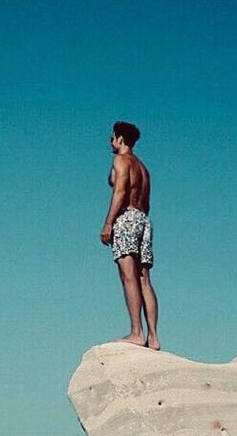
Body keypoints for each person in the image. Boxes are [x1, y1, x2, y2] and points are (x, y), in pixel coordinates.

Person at [99, 121, 160, 350]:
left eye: (112, 138)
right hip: (144, 220)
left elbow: (120, 191)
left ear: (120, 139)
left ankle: (136, 332)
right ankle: (153, 337)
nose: (110, 142)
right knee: (144, 277)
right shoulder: (143, 168)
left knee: (128, 277)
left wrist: (108, 223)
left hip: (126, 218)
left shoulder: (121, 161)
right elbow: (146, 202)